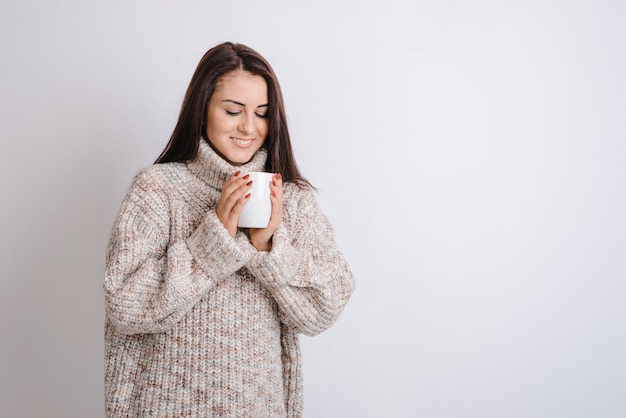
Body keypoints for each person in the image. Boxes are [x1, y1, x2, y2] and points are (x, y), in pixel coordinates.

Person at [103, 42, 355, 417]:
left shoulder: (292, 200)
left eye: (262, 113)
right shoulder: (157, 189)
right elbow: (124, 304)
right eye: (233, 110)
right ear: (201, 109)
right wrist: (213, 240)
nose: (248, 127)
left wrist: (269, 248)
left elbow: (324, 308)